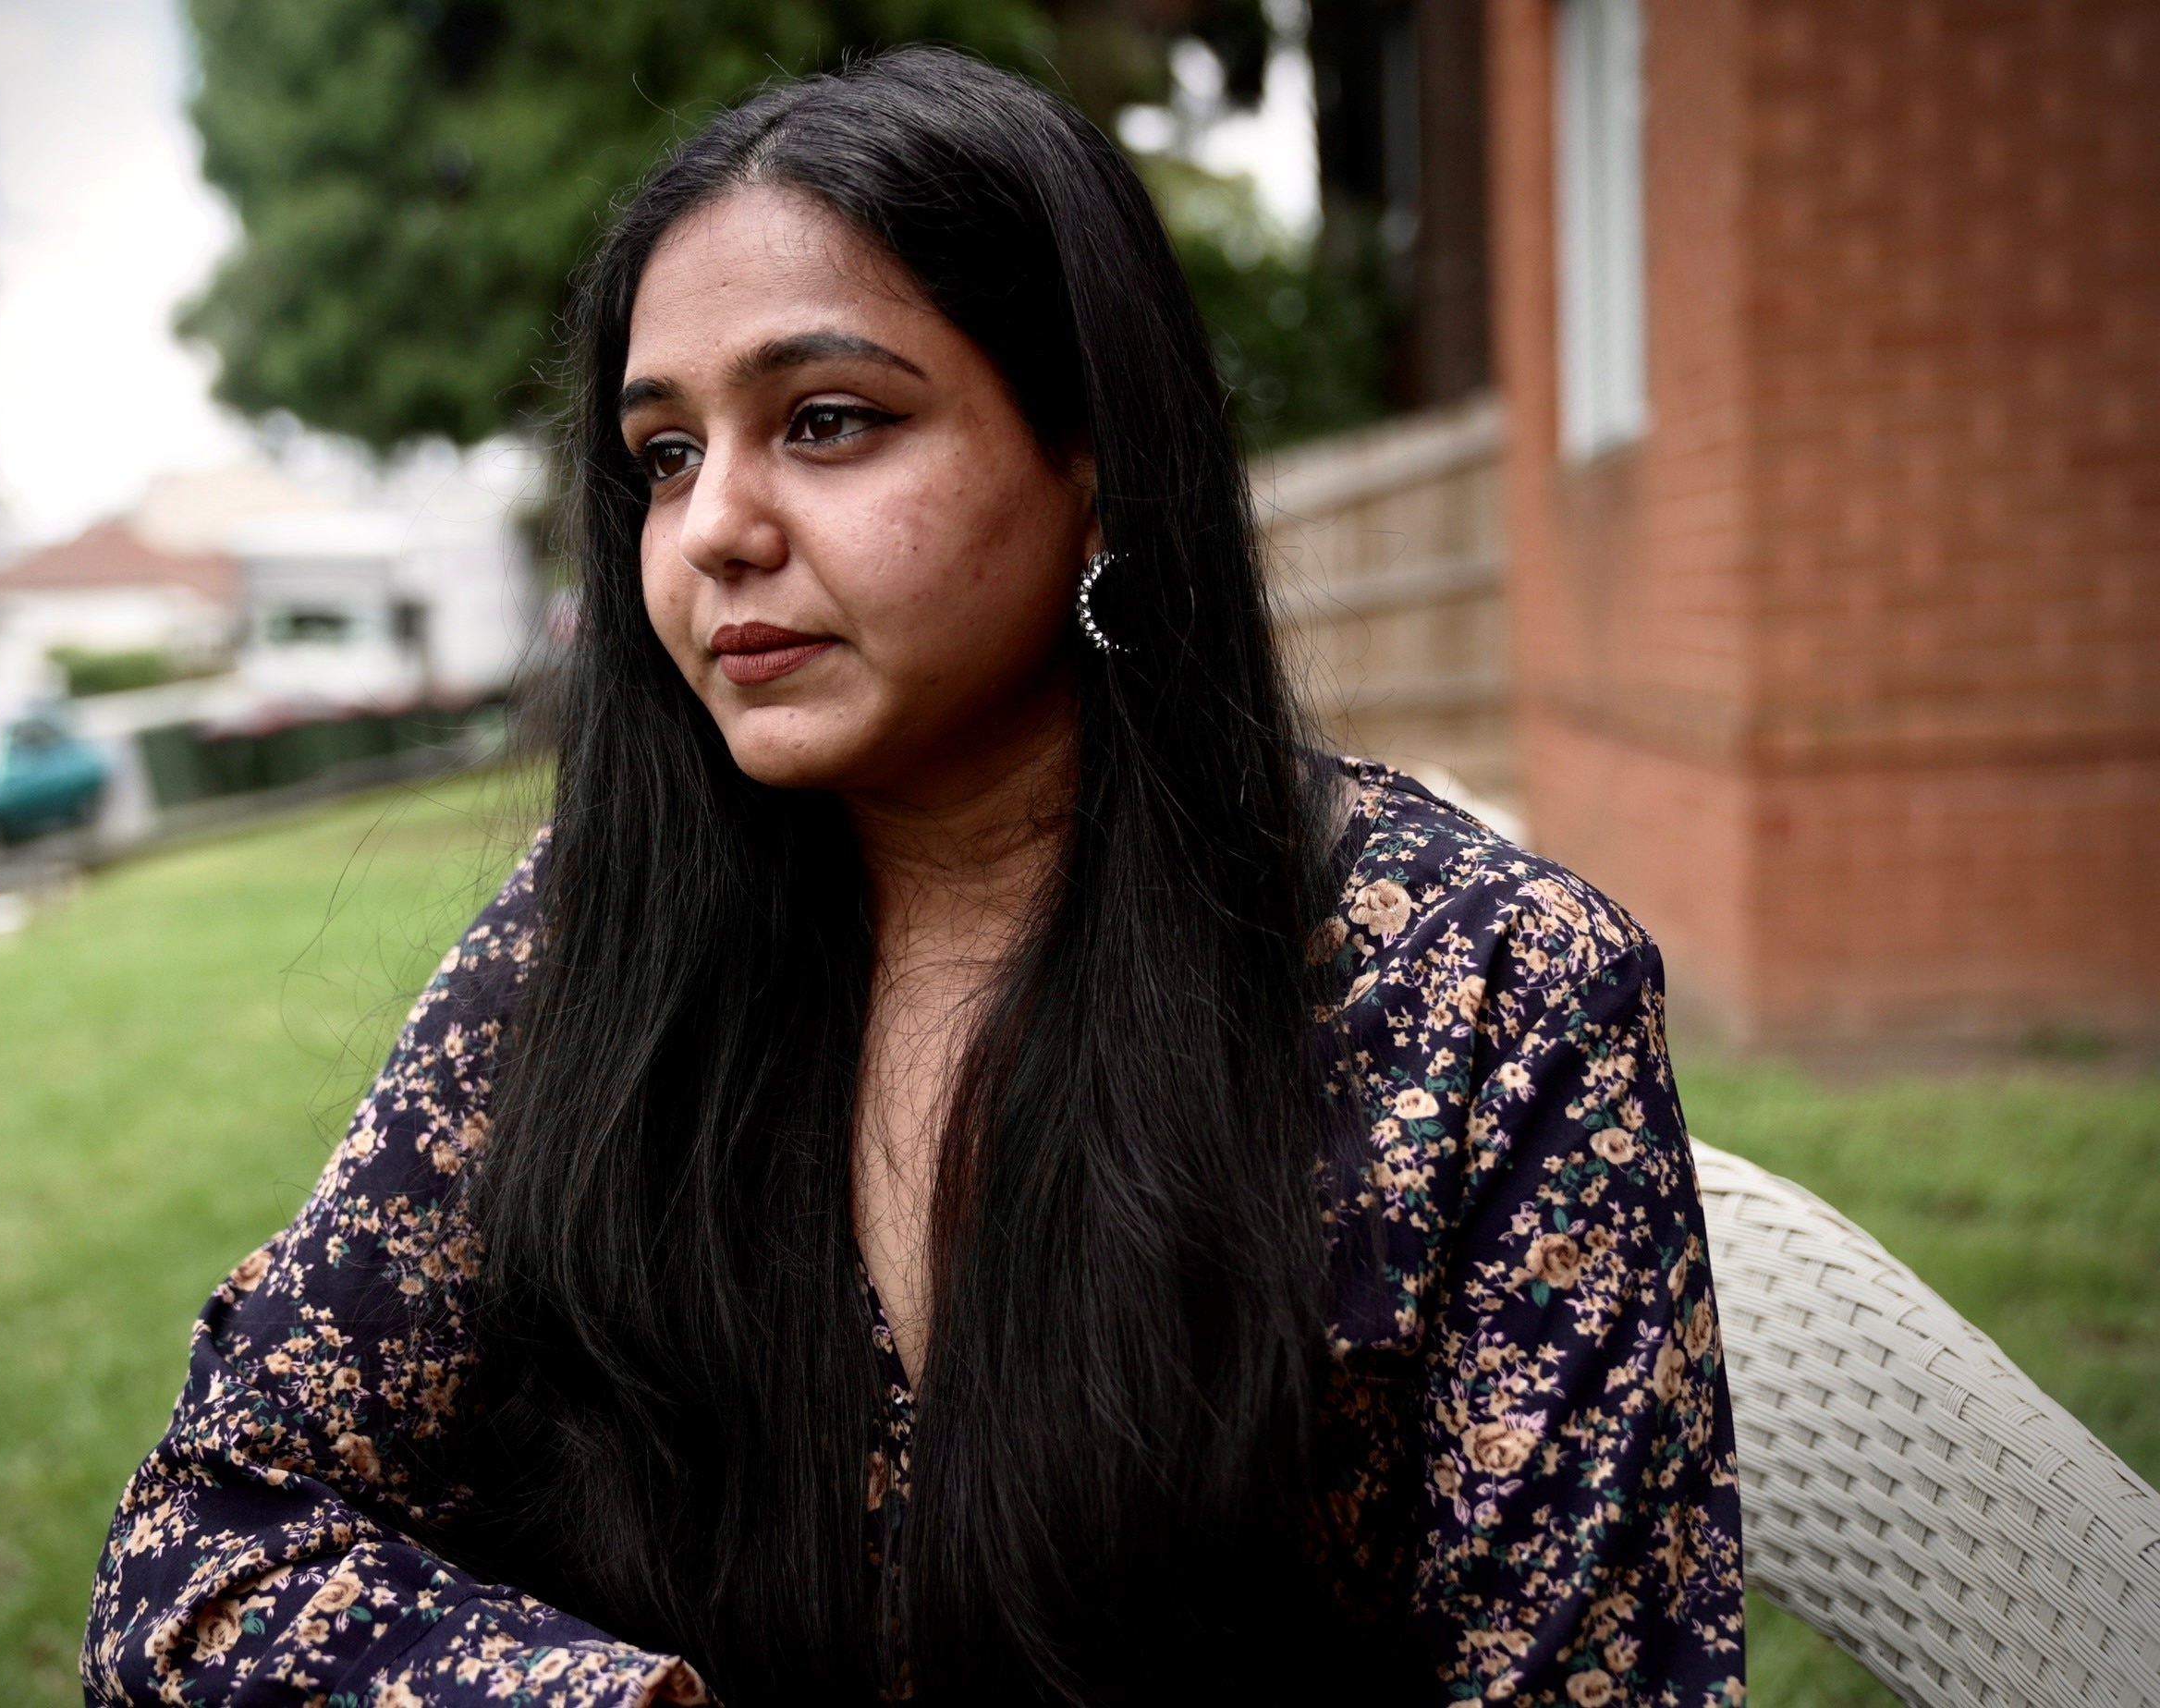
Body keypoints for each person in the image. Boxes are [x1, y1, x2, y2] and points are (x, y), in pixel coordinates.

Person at [84, 47, 1742, 1708]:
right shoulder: (594, 942)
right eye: (663, 454)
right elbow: (205, 1550)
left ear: (1093, 461)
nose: (713, 526)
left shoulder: (1480, 996)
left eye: (827, 423)